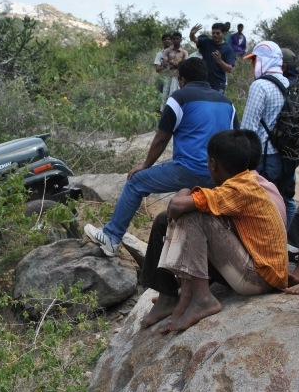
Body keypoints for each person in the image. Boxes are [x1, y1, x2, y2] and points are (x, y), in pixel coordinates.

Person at [84, 58, 239, 257]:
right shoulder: (226, 102)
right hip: (219, 175)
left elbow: (162, 136)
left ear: (182, 79)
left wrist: (145, 165)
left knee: (136, 182)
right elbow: (236, 136)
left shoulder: (180, 97)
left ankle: (111, 238)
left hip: (189, 170)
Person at [139, 128, 287, 328]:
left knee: (195, 217)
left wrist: (182, 191)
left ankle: (202, 299)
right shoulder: (243, 184)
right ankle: (169, 295)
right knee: (163, 220)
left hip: (259, 277)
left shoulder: (239, 189)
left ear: (212, 164)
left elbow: (177, 206)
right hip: (251, 268)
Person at [240, 40, 297, 226]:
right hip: (287, 156)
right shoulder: (290, 83)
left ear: (264, 60)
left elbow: (248, 130)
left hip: (266, 157)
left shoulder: (260, 86)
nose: (252, 65)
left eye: (254, 60)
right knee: (285, 200)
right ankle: (290, 246)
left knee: (262, 205)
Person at [188, 22, 235, 92]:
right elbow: (194, 39)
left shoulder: (228, 49)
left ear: (224, 33)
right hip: (204, 82)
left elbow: (230, 69)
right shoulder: (207, 42)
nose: (215, 35)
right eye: (213, 33)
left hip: (218, 83)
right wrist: (192, 34)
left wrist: (219, 61)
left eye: (217, 33)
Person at [158, 32, 189, 112]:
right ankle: (163, 111)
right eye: (174, 39)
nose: (175, 40)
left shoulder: (184, 52)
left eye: (177, 39)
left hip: (178, 77)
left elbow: (184, 64)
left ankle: (174, 111)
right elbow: (164, 63)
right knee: (165, 94)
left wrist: (173, 63)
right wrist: (175, 64)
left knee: (174, 94)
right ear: (172, 40)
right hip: (167, 76)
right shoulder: (167, 51)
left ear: (180, 39)